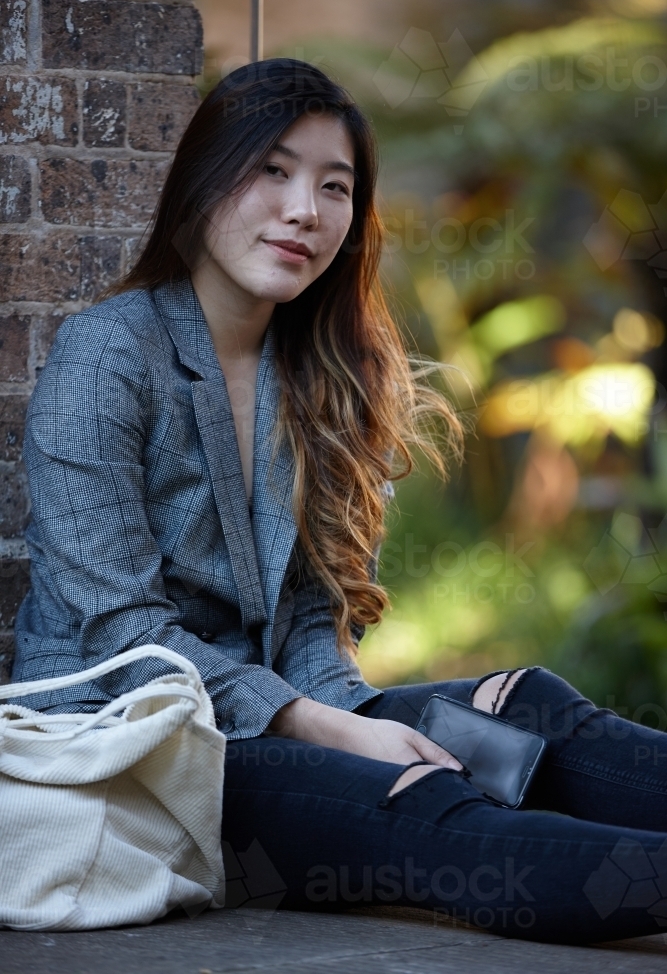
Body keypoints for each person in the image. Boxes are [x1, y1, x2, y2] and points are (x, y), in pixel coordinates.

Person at [12, 59, 667, 945]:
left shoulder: (318, 371)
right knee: (421, 801)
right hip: (146, 744)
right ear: (202, 182)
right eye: (272, 172)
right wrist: (333, 734)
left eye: (334, 187)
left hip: (289, 715)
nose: (304, 212)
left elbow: (315, 618)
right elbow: (121, 636)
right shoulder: (106, 356)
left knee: (522, 707)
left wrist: (352, 716)